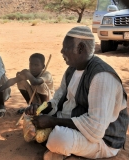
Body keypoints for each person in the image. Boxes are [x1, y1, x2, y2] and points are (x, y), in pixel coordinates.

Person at [25, 26, 128, 159]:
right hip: (72, 123)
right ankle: (56, 146)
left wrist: (52, 122)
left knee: (59, 138)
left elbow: (95, 128)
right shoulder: (72, 69)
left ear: (80, 48)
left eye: (66, 47)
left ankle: (57, 145)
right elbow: (58, 99)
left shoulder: (101, 76)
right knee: (28, 117)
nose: (62, 51)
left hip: (103, 140)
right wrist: (42, 109)